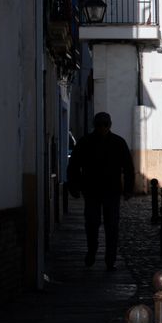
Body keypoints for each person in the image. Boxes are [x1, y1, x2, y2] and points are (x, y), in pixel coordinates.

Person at [67, 112, 134, 270]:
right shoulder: (85, 143)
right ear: (95, 125)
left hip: (111, 192)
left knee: (112, 226)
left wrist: (128, 189)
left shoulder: (118, 143)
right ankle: (92, 251)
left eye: (104, 124)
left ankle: (110, 259)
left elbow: (128, 168)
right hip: (92, 191)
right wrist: (73, 186)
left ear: (109, 125)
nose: (102, 127)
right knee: (92, 224)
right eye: (99, 124)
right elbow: (74, 166)